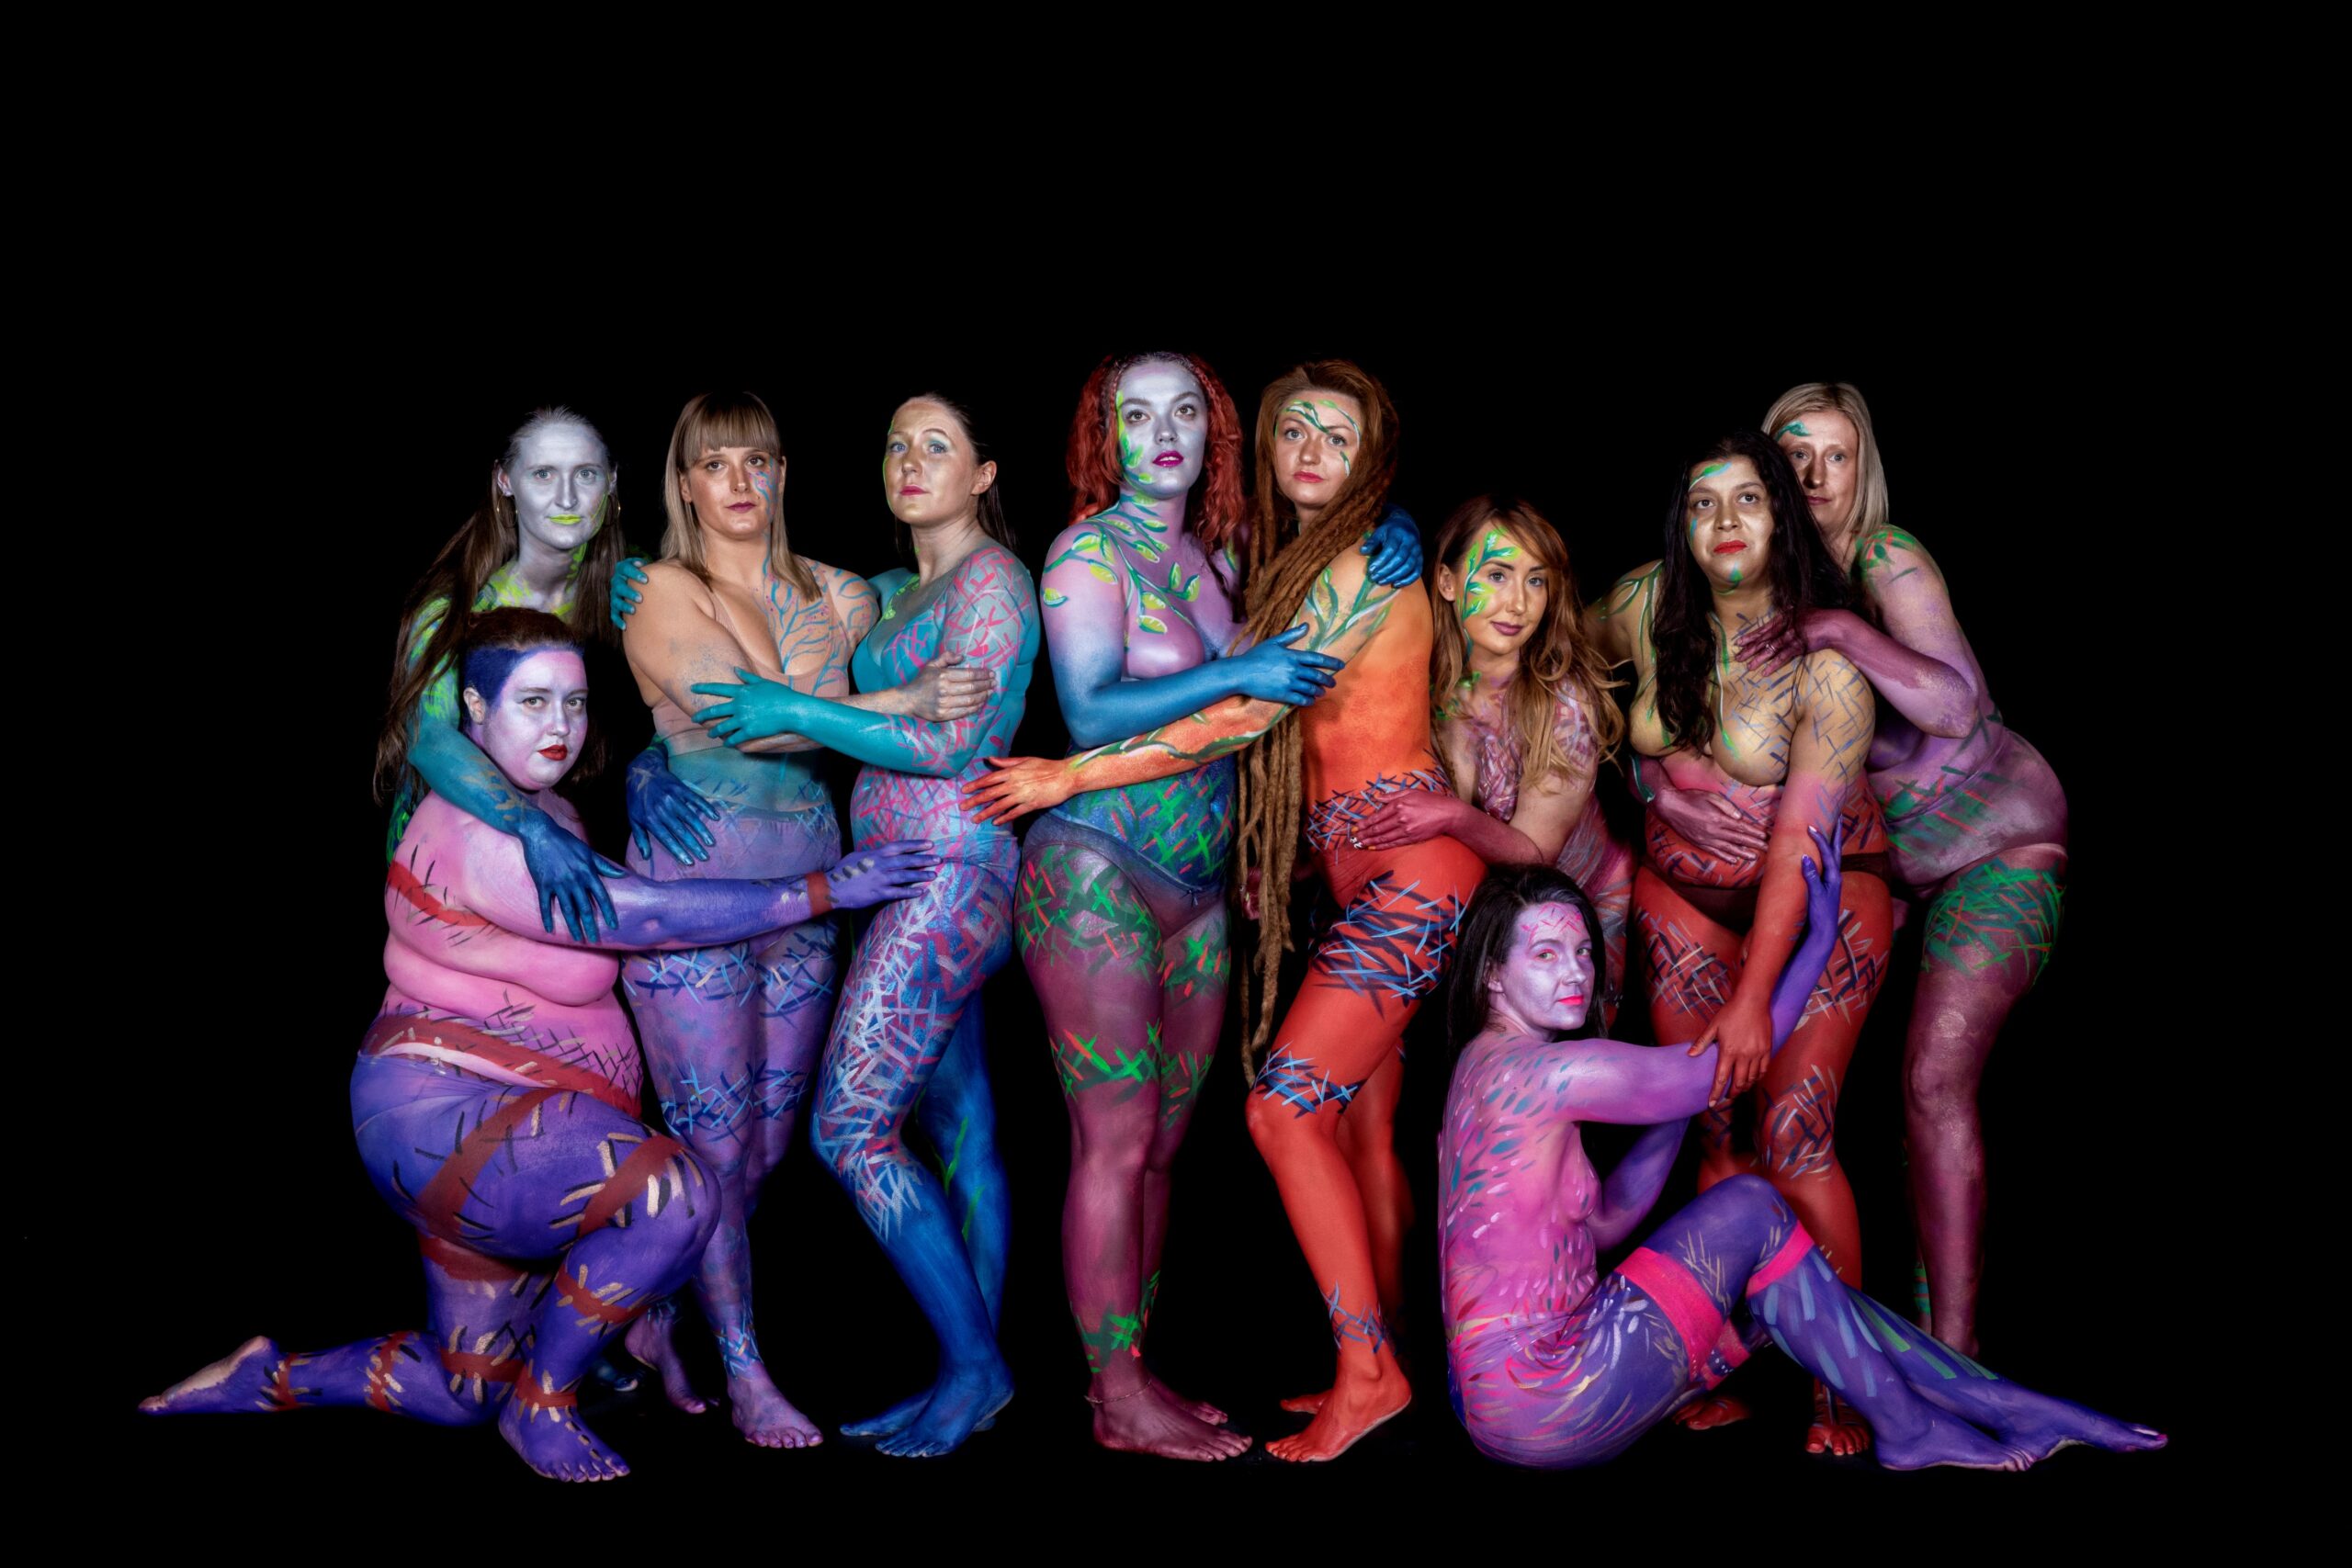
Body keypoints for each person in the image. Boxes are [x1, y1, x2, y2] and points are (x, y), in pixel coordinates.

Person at [140, 610, 935, 1481]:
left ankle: (270, 1379)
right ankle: (544, 1404)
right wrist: (820, 890)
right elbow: (646, 918)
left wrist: (644, 774)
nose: (560, 724)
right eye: (533, 702)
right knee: (673, 1194)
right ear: (475, 711)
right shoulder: (479, 831)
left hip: (498, 1135)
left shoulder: (544, 812)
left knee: (461, 1389)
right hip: (449, 1121)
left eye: (576, 702)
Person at [967, 360, 1484, 1461]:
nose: (1164, 431)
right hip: (1098, 869)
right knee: (1121, 1143)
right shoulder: (1085, 553)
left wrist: (1389, 517)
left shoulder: (1230, 558)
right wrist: (1067, 776)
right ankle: (1119, 1391)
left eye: (1186, 410)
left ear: (1215, 432)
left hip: (1209, 894)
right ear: (1105, 435)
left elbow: (1286, 678)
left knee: (1166, 1148)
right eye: (1136, 414)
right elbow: (1100, 707)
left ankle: (1199, 1371)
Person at [1436, 845, 2162, 1472]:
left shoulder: (1484, 1066)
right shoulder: (1542, 1073)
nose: (1576, 971)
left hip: (1506, 1409)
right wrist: (1814, 946)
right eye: (1545, 954)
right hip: (1548, 1396)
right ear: (1493, 974)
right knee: (1753, 1207)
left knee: (1795, 1287)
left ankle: (2010, 1403)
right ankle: (1914, 1429)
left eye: (1583, 951)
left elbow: (1605, 1222)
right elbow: (1721, 1068)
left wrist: (1680, 1102)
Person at [606, 390, 991, 1447]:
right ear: (685, 485)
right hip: (697, 898)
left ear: (783, 474)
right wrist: (903, 704)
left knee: (765, 1151)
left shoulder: (844, 595)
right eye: (715, 463)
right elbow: (752, 723)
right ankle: (746, 1375)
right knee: (714, 1145)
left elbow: (917, 613)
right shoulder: (658, 590)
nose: (739, 481)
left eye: (758, 460)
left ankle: (650, 1315)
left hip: (818, 895)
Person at [1650, 383, 2060, 1356]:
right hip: (1882, 871)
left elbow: (1956, 709)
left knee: (1929, 1084)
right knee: (1799, 1106)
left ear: (1863, 470)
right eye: (1795, 455)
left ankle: (1949, 1357)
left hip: (1993, 851)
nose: (1817, 476)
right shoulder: (1744, 579)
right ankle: (1791, 1337)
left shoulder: (1883, 561)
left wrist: (1842, 630)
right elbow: (1669, 710)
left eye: (1838, 456)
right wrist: (1654, 779)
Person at [688, 393, 1038, 1458]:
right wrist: (656, 576)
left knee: (849, 1130)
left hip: (951, 878)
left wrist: (796, 712)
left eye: (937, 445)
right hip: (900, 884)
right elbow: (771, 584)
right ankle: (969, 1379)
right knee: (962, 1125)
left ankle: (976, 1370)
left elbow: (949, 748)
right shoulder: (887, 595)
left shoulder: (993, 583)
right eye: (896, 444)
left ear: (983, 474)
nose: (910, 460)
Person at [1589, 430, 1893, 1453]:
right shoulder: (1642, 603)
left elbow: (1798, 848)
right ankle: (1726, 1363)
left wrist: (1756, 995)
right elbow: (1550, 662)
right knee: (1713, 1132)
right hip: (1680, 897)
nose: (1724, 521)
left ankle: (1840, 1387)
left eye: (1749, 500)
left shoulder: (1829, 666)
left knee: (1796, 1132)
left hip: (1816, 905)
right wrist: (1649, 779)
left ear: (1783, 518)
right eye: (1702, 502)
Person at [1355, 494, 1634, 1027]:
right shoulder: (1422, 685)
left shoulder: (1564, 701)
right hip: (1483, 903)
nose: (1519, 604)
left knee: (1567, 1050)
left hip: (1581, 900)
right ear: (1447, 582)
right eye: (1498, 575)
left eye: (1536, 580)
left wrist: (1451, 814)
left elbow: (1535, 854)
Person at [375, 407, 632, 942]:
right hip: (450, 866)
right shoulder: (454, 609)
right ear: (505, 481)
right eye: (543, 474)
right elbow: (428, 739)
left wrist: (651, 771)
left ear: (611, 482)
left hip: (584, 842)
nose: (567, 498)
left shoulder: (634, 588)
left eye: (586, 474)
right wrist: (530, 827)